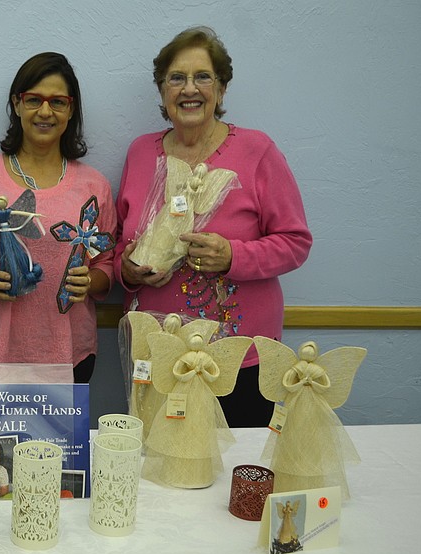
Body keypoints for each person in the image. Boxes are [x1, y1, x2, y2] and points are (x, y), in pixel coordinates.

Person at [114, 27, 312, 427]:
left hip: (240, 356)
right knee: (162, 477)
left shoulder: (257, 151)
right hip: (159, 353)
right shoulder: (139, 153)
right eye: (177, 78)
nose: (190, 88)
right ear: (162, 90)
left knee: (235, 476)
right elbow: (122, 241)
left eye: (203, 77)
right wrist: (128, 271)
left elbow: (295, 242)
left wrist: (232, 256)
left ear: (221, 90)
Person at [0, 52, 116, 383]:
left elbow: (107, 263)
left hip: (70, 354)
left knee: (62, 438)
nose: (45, 111)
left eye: (58, 102)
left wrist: (90, 282)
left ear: (71, 109)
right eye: (33, 99)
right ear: (17, 104)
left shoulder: (94, 187)